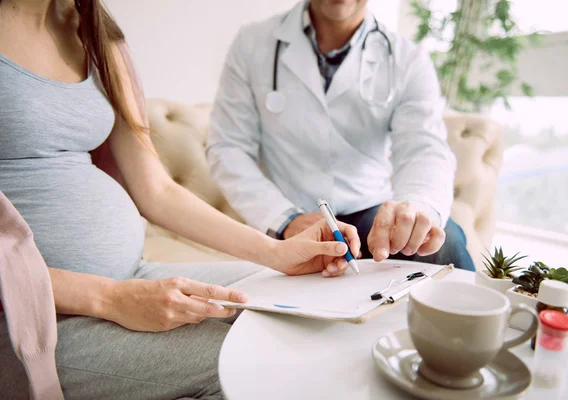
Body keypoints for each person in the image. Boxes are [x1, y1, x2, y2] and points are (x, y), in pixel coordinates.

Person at [0, 0, 360, 398]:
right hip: (33, 315)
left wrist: (275, 252)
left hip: (132, 274)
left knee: (315, 307)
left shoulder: (95, 32)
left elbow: (157, 190)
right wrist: (112, 299)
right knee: (260, 363)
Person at [207, 0, 476, 274]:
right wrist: (286, 219)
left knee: (445, 243)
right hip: (292, 214)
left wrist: (416, 207)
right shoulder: (253, 43)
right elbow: (228, 147)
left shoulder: (407, 58)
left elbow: (424, 148)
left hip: (371, 212)